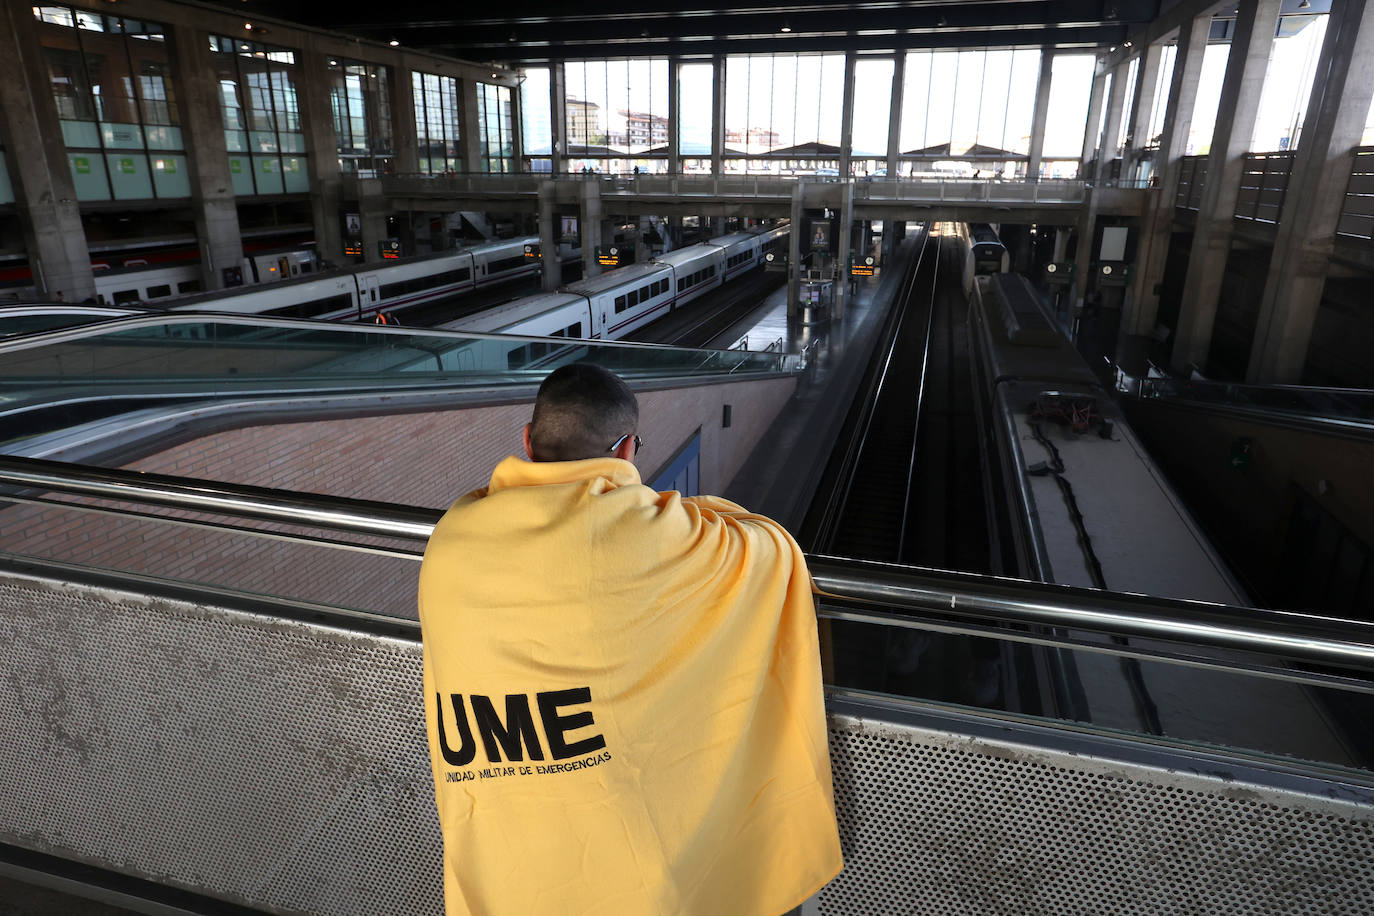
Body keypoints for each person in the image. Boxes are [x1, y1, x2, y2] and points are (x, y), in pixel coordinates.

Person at [419, 363, 842, 915]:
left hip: (503, 872)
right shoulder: (657, 537)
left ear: (527, 441)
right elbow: (768, 547)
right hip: (633, 883)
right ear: (625, 450)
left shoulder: (452, 536)